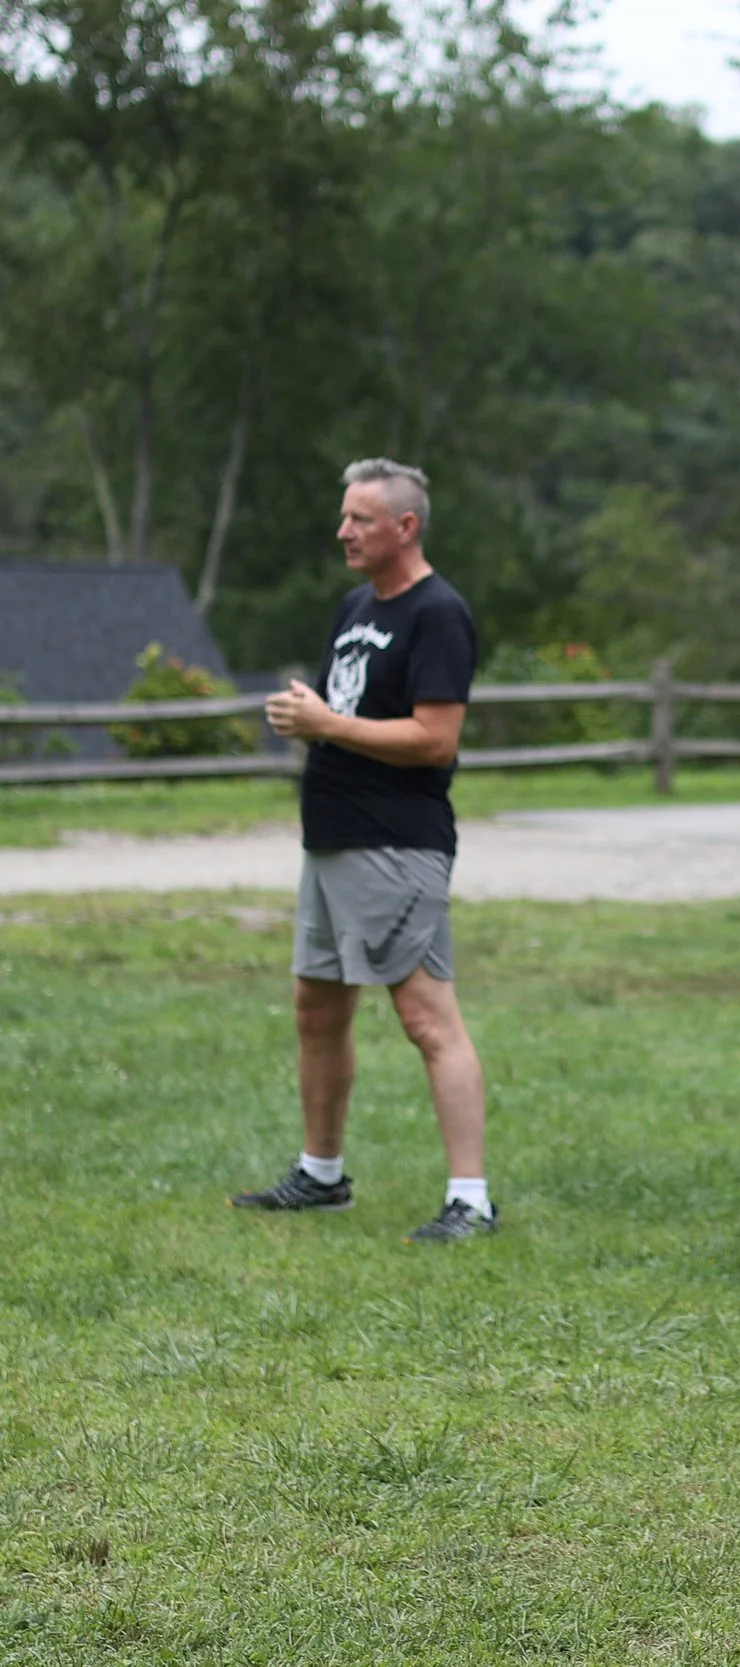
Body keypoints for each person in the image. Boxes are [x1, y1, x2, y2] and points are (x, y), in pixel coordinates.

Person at [232, 458, 494, 1243]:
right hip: (333, 842)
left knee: (426, 1017)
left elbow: (435, 738)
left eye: (360, 519)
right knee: (317, 1007)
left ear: (404, 527)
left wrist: (325, 726)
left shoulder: (438, 613)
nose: (343, 531)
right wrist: (308, 716)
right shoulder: (356, 605)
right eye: (345, 516)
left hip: (396, 847)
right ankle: (321, 1175)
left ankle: (471, 1198)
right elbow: (340, 708)